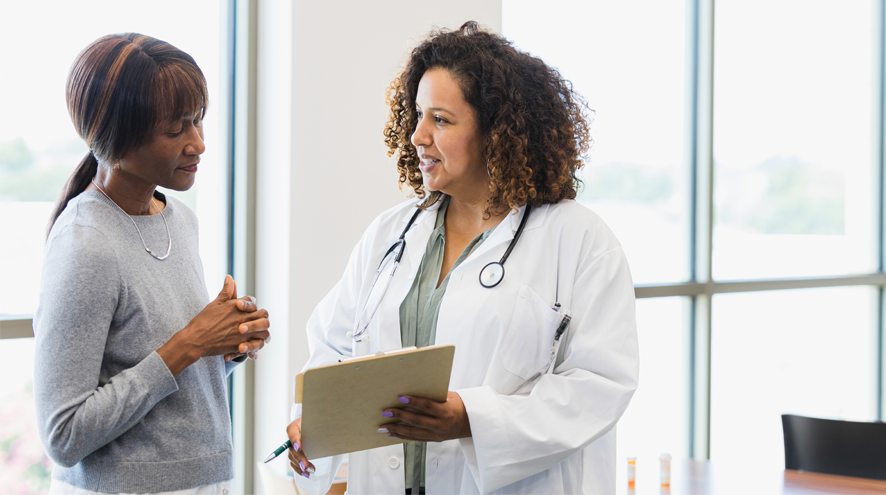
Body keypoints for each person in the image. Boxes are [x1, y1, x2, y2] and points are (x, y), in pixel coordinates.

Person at [285, 21, 639, 495]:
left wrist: (470, 419)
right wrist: (313, 418)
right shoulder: (392, 234)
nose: (417, 136)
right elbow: (334, 344)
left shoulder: (577, 239)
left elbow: (600, 384)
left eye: (441, 120)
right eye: (417, 115)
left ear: (496, 131)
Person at [33, 33, 270, 495]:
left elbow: (162, 381)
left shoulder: (180, 221)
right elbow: (63, 435)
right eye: (176, 129)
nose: (198, 143)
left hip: (203, 482)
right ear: (119, 138)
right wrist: (188, 343)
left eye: (198, 121)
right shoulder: (85, 244)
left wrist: (223, 347)